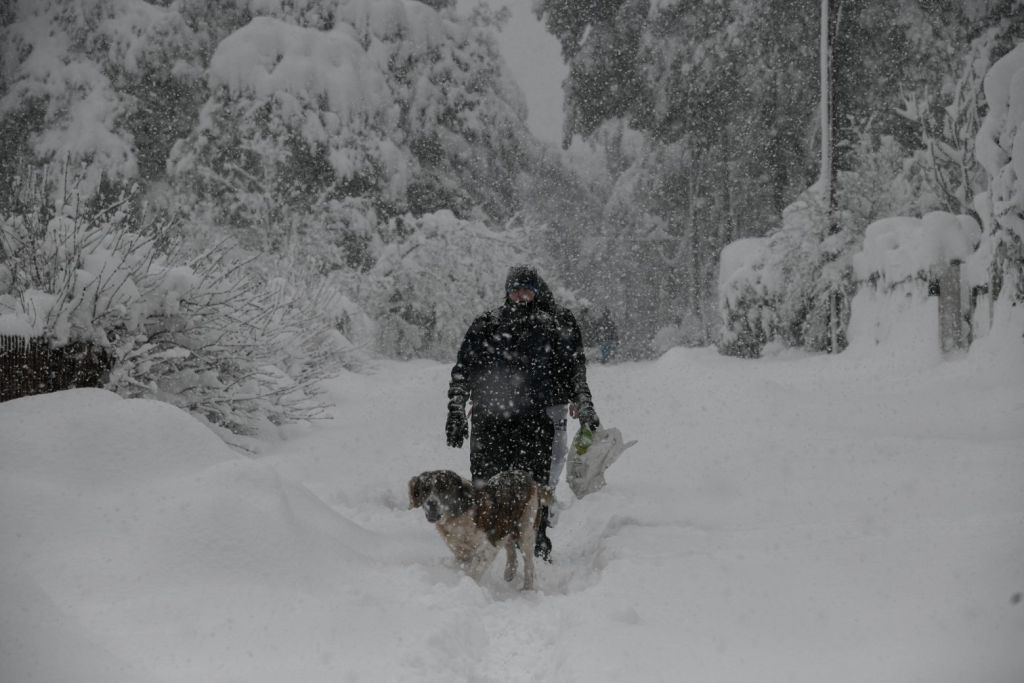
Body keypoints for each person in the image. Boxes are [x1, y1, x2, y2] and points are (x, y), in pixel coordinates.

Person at [445, 265, 600, 561]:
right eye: (515, 289)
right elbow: (463, 371)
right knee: (485, 489)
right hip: (489, 423)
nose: (520, 295)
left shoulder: (552, 325)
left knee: (534, 489)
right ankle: (483, 547)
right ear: (507, 292)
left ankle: (536, 542)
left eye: (526, 289)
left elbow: (574, 369)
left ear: (537, 291)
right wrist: (455, 410)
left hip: (534, 422)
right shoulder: (486, 324)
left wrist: (584, 401)